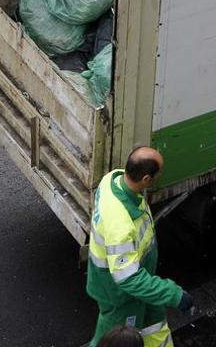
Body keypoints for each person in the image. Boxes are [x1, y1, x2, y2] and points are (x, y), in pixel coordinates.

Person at [87, 147, 193, 347]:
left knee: (154, 321)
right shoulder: (121, 225)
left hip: (137, 286)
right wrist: (173, 294)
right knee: (114, 340)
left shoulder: (112, 179)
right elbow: (129, 278)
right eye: (158, 172)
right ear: (145, 179)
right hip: (121, 295)